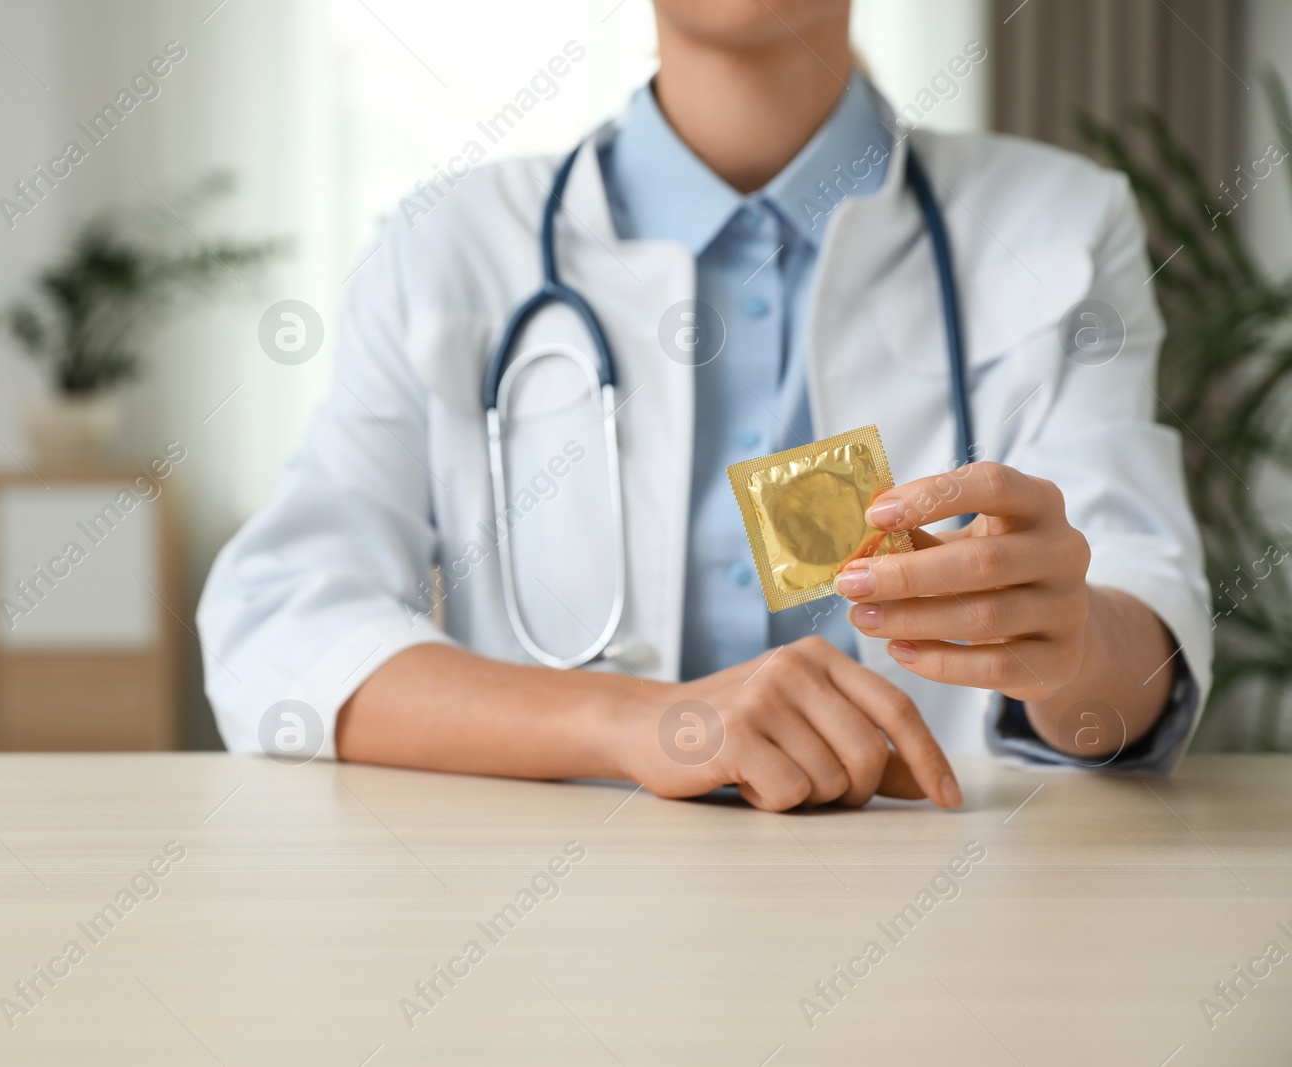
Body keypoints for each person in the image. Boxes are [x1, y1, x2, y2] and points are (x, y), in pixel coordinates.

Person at [197, 0, 1210, 811]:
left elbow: (1143, 654)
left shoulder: (1062, 220)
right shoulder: (444, 246)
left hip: (940, 907)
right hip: (557, 925)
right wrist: (635, 723)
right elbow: (280, 624)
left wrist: (1070, 636)